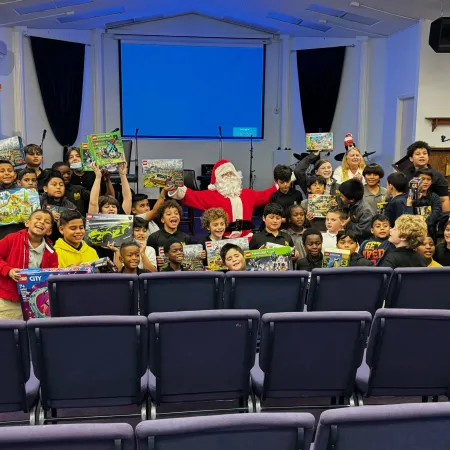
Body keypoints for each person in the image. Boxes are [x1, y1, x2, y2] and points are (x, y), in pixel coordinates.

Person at [168, 159, 278, 237]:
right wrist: (174, 187)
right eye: (225, 175)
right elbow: (189, 195)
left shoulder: (247, 194)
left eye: (231, 174)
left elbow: (265, 195)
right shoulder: (210, 196)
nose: (229, 177)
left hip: (246, 241)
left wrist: (279, 185)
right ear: (217, 179)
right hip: (221, 241)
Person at [0, 209, 58, 320]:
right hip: (9, 300)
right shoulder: (12, 239)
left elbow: (52, 276)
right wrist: (8, 271)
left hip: (38, 302)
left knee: (32, 334)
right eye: (38, 218)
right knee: (7, 334)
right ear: (27, 223)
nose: (41, 222)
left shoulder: (52, 252)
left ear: (49, 231)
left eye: (46, 221)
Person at [402, 141, 450, 212]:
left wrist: (447, 220)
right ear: (411, 158)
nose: (422, 156)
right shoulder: (404, 174)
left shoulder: (438, 176)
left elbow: (444, 200)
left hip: (432, 213)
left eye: (425, 153)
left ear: (428, 157)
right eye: (418, 154)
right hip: (409, 211)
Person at [146, 200, 192, 268]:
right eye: (169, 214)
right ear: (162, 219)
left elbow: (190, 260)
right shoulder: (153, 237)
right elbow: (149, 258)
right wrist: (155, 260)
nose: (173, 215)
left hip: (181, 274)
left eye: (176, 213)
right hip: (161, 275)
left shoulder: (186, 237)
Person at [40, 171, 77, 244]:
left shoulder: (70, 205)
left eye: (61, 185)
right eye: (54, 184)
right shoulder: (37, 201)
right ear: (45, 189)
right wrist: (48, 216)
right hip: (40, 241)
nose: (58, 187)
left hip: (63, 243)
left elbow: (79, 221)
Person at [407, 168, 442, 240]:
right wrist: (411, 202)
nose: (425, 182)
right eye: (422, 179)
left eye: (428, 179)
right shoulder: (409, 197)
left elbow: (436, 213)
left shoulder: (435, 197)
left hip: (430, 232)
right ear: (415, 181)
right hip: (413, 231)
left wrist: (423, 225)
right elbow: (407, 215)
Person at [339, 179, 372, 243]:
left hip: (361, 242)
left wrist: (345, 231)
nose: (340, 197)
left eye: (342, 196)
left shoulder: (365, 210)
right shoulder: (354, 203)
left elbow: (363, 230)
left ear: (351, 199)